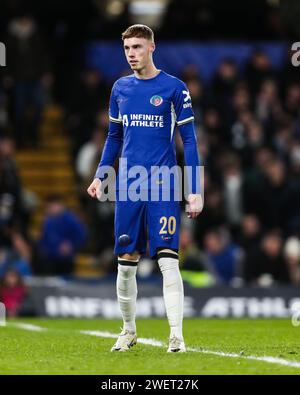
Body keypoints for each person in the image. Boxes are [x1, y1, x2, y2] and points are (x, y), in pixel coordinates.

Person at [87, 25, 202, 352]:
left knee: (168, 259)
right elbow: (114, 137)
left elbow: (190, 141)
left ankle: (176, 336)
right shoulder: (120, 88)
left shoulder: (174, 88)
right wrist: (100, 175)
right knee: (126, 260)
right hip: (129, 185)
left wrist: (194, 189)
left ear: (152, 47)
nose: (132, 53)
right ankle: (128, 330)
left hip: (164, 182)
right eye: (127, 48)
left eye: (137, 46)